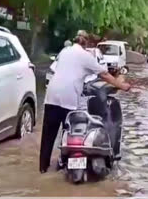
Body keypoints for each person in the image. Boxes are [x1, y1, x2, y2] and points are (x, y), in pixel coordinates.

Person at [39, 30, 130, 173]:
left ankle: (43, 169)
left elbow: (58, 69)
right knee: (68, 133)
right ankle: (64, 166)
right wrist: (122, 85)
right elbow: (104, 74)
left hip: (51, 95)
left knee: (48, 137)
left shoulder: (64, 51)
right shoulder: (85, 56)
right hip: (68, 97)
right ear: (86, 43)